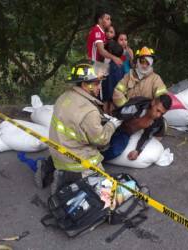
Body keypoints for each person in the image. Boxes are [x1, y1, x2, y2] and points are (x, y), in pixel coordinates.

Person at [35, 62, 122, 193]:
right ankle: (67, 178)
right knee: (103, 184)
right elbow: (101, 140)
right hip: (74, 160)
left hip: (56, 152)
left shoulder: (64, 96)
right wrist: (112, 125)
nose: (100, 87)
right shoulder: (89, 111)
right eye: (97, 83)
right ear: (85, 84)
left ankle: (48, 166)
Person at [102, 94, 172, 161]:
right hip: (114, 124)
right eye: (158, 110)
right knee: (99, 140)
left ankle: (97, 161)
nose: (158, 115)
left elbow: (146, 136)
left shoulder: (157, 122)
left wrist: (137, 151)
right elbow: (119, 115)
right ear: (153, 102)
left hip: (125, 133)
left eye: (162, 113)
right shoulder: (138, 107)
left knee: (116, 151)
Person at [102, 40, 125, 114]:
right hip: (115, 91)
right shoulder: (121, 65)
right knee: (112, 108)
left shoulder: (111, 65)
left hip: (109, 91)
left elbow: (108, 81)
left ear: (110, 52)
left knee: (107, 108)